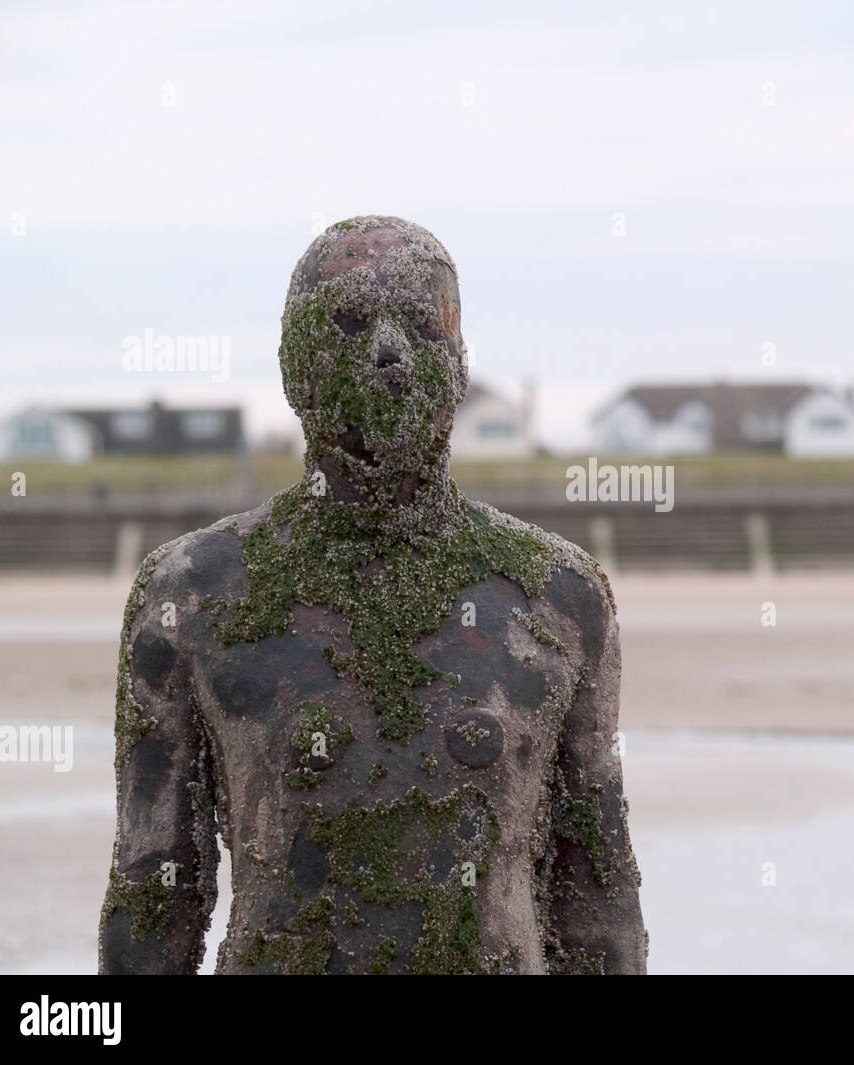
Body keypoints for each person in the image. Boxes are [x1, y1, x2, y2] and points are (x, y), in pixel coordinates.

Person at [98, 216, 646, 974]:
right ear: (294, 365)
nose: (389, 352)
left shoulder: (559, 597)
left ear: (458, 363)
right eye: (351, 322)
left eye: (421, 325)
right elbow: (154, 886)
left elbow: (597, 894)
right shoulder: (190, 594)